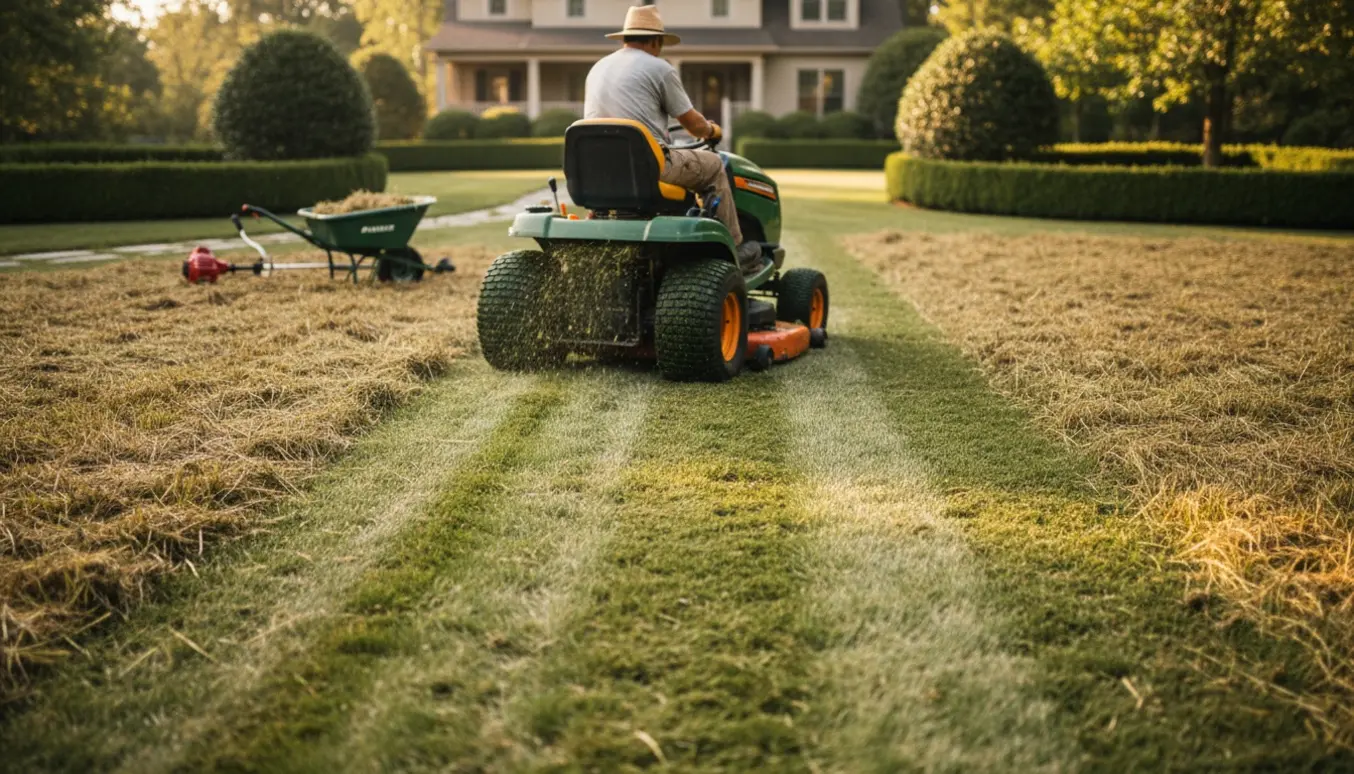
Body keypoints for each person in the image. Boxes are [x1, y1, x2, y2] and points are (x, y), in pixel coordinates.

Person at [584, 4, 764, 274]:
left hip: (600, 170)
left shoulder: (598, 68)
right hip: (648, 166)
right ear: (656, 41)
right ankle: (735, 249)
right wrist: (712, 131)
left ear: (625, 38)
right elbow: (692, 124)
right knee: (714, 166)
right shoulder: (659, 68)